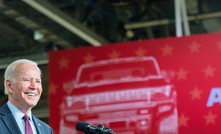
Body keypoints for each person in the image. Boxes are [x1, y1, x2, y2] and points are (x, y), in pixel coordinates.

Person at [0, 59, 53, 134]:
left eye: (37, 81)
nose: (34, 86)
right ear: (10, 85)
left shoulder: (46, 130)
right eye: (27, 80)